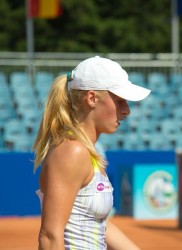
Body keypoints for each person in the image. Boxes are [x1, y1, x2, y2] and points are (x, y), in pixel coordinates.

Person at [33, 56, 151, 250]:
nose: (127, 111)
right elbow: (50, 236)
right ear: (92, 98)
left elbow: (98, 223)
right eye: (120, 101)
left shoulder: (87, 152)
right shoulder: (72, 151)